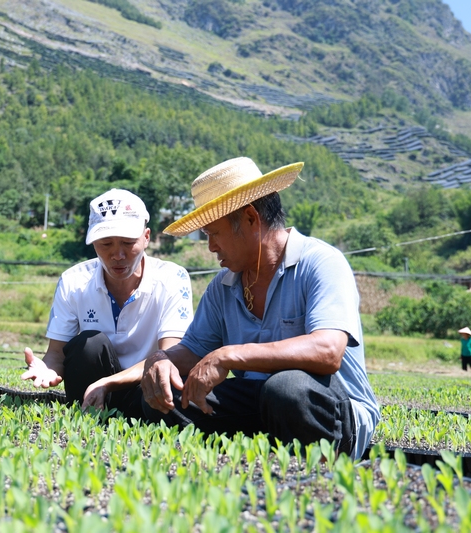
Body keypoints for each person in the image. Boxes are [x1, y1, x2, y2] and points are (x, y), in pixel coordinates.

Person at [140, 157, 380, 459]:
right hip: (261, 405)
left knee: (286, 389)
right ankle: (252, 456)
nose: (211, 246)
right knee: (169, 395)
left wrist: (229, 355)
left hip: (323, 405)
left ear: (252, 219)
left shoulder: (321, 263)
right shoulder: (223, 286)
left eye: (214, 233)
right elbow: (193, 350)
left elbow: (328, 351)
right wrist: (161, 360)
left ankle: (315, 470)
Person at [22, 189, 194, 419]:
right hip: (92, 391)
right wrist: (47, 369)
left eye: (127, 242)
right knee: (90, 343)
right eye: (105, 244)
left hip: (147, 390)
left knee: (165, 374)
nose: (117, 254)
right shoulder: (73, 281)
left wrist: (109, 383)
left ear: (146, 237)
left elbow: (170, 355)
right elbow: (56, 354)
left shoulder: (173, 278)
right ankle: (92, 414)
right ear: (93, 243)